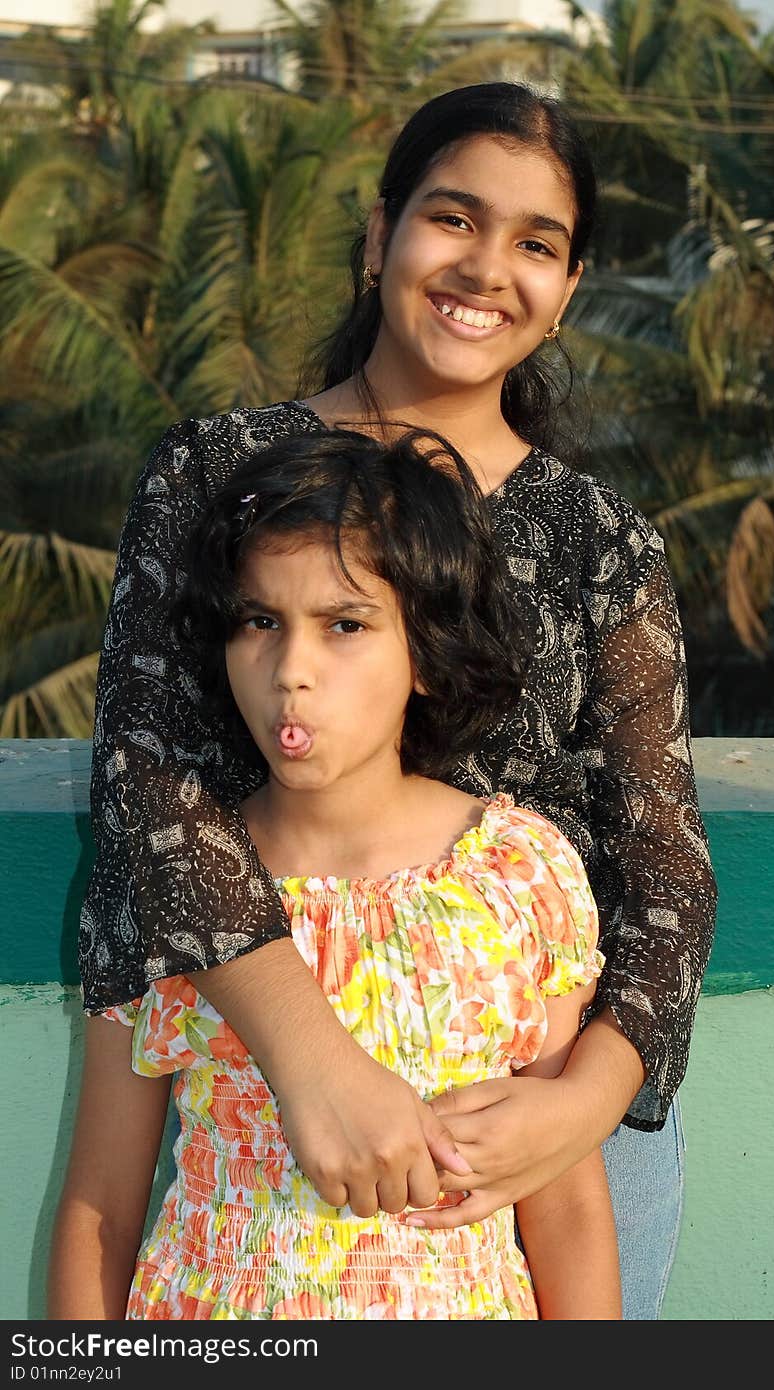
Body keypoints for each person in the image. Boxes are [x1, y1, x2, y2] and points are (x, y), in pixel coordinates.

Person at [75, 82, 717, 1319]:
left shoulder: (603, 545)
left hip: (550, 1141)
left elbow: (667, 867)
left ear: (569, 286)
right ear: (381, 239)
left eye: (536, 243)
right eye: (453, 219)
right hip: (263, 1111)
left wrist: (575, 1106)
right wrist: (316, 1061)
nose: (486, 267)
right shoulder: (220, 473)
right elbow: (148, 783)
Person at [49, 428, 620, 1320]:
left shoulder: (518, 874)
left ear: (426, 653)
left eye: (345, 625)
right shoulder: (170, 892)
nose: (291, 672)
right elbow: (102, 1207)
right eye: (259, 621)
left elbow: (568, 1207)